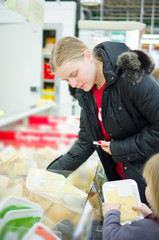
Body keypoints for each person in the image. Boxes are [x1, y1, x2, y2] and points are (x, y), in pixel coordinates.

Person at [46, 36, 159, 204]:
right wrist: (49, 176)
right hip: (122, 183)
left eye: (74, 74)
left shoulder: (131, 77)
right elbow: (86, 140)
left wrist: (119, 148)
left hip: (151, 185)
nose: (74, 83)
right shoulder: (86, 93)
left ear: (88, 55)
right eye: (66, 80)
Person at [102, 153, 159, 240]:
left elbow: (112, 237)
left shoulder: (145, 229)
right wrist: (151, 216)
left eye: (148, 183)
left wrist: (110, 214)